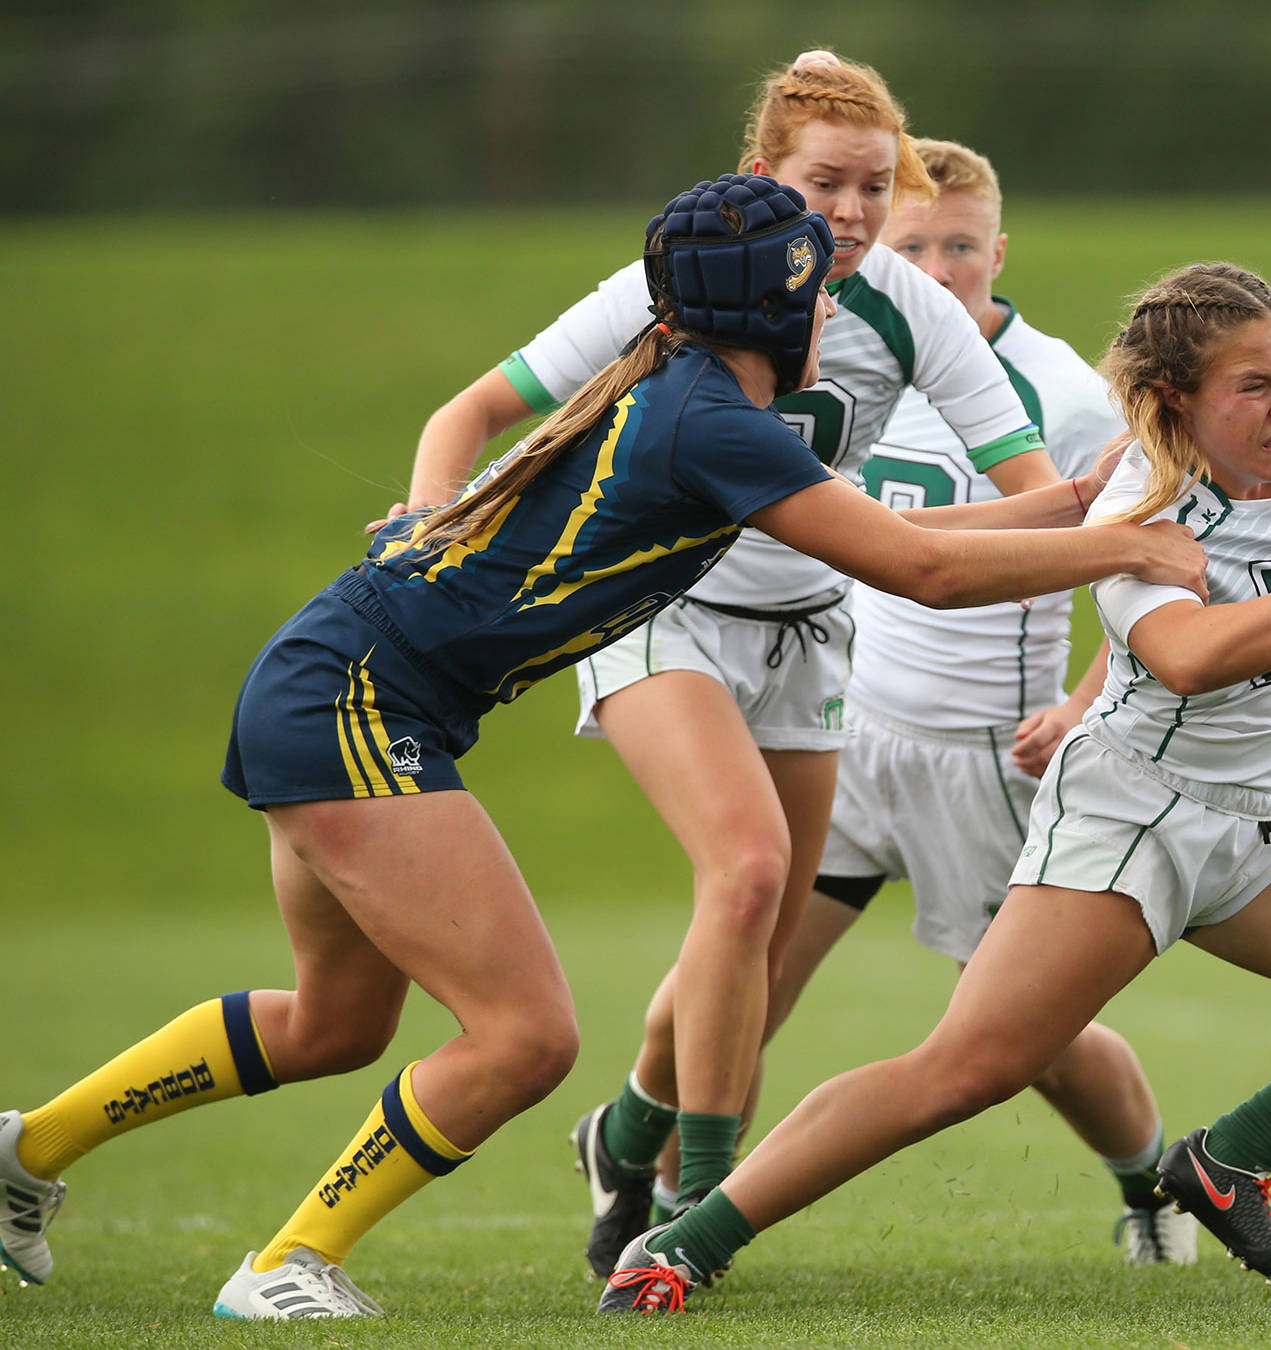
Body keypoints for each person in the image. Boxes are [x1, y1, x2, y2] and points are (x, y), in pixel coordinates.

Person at [0, 175, 1204, 1318]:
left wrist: (1079, 499)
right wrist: (1128, 550)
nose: (831, 305)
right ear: (771, 315)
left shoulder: (691, 389)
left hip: (325, 683)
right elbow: (925, 572)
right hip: (358, 710)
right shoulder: (710, 423)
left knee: (334, 1026)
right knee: (527, 1040)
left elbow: (903, 530)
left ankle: (28, 1151)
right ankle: (289, 1260)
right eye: (813, 292)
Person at [593, 262, 1271, 1314]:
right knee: (964, 1071)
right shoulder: (1141, 501)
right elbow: (1187, 659)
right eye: (1253, 386)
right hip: (1134, 819)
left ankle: (1226, 1164)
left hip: (1269, 822)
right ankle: (685, 1245)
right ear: (1177, 398)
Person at [405, 51, 1061, 1279]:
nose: (859, 214)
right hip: (664, 608)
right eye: (829, 184)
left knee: (750, 937)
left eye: (878, 186)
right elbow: (467, 414)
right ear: (762, 176)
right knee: (749, 872)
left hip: (811, 630)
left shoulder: (907, 308)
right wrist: (426, 520)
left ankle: (632, 1132)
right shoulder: (675, 285)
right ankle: (690, 1203)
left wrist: (1148, 508)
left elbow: (1040, 497)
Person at [788, 137, 1195, 1264]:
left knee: (1030, 1039)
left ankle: (1151, 1187)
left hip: (980, 757)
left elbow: (1151, 557)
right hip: (848, 731)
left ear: (997, 251)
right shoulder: (843, 356)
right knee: (745, 962)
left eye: (960, 245)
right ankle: (649, 1168)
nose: (939, 265)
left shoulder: (1061, 394)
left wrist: (1077, 703)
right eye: (915, 244)